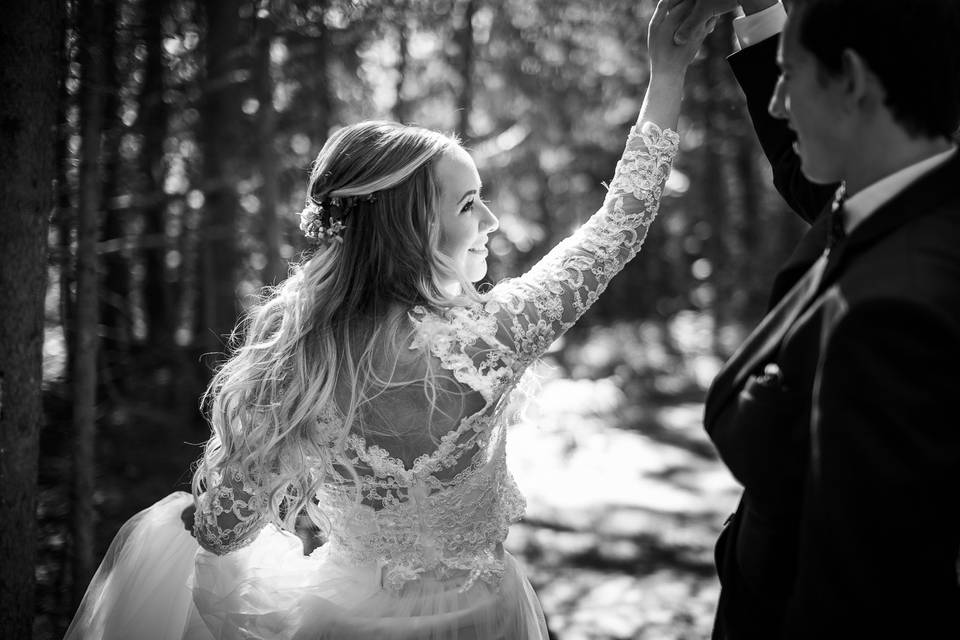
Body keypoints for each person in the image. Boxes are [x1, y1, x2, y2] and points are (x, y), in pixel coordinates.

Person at [64, 3, 710, 638]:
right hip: (487, 616)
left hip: (341, 621)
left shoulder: (299, 359)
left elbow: (222, 531)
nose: (490, 222)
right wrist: (667, 77)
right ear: (414, 226)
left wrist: (186, 526)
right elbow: (618, 228)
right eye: (469, 204)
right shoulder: (494, 336)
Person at [670, 0, 960, 638]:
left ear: (852, 80)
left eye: (790, 74)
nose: (775, 103)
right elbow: (811, 180)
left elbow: (859, 596)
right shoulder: (897, 196)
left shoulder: (892, 322)